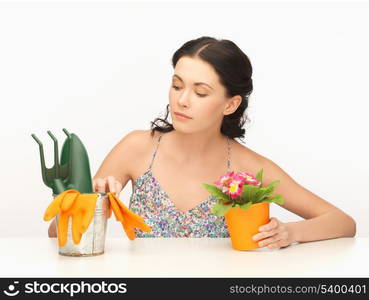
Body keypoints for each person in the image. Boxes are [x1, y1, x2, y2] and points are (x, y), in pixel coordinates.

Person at [48, 36, 356, 248]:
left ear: (230, 105)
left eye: (201, 92)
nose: (181, 100)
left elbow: (342, 222)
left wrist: (289, 233)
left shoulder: (248, 166)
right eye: (177, 85)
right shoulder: (137, 148)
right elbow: (56, 234)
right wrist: (96, 206)